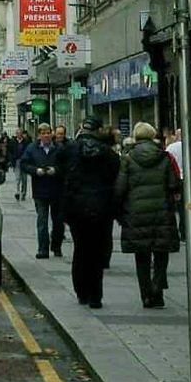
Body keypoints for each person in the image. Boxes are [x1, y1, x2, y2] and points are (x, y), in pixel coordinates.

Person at [114, 121, 180, 309]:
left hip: (136, 214)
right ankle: (157, 290)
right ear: (152, 136)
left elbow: (120, 188)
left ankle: (146, 295)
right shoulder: (164, 157)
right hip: (161, 213)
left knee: (142, 257)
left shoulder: (127, 158)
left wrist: (119, 212)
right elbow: (173, 184)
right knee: (161, 252)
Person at [59, 116, 120, 309]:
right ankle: (95, 296)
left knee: (80, 249)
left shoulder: (69, 150)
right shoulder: (108, 153)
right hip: (100, 208)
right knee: (96, 251)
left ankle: (81, 292)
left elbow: (61, 175)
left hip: (76, 207)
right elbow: (115, 179)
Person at [20, 123, 64, 258]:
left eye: (48, 133)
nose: (46, 135)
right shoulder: (32, 148)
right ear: (39, 135)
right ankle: (43, 249)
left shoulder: (59, 148)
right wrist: (35, 171)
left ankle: (56, 246)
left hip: (57, 190)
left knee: (58, 221)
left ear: (52, 134)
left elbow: (67, 165)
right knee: (42, 220)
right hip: (40, 190)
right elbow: (24, 164)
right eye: (43, 133)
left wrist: (56, 170)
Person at [13, 128, 31, 201]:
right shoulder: (13, 142)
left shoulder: (26, 141)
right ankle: (17, 192)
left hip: (24, 162)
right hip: (16, 161)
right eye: (17, 133)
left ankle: (23, 193)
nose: (19, 134)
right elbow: (10, 151)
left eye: (20, 133)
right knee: (17, 178)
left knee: (24, 179)